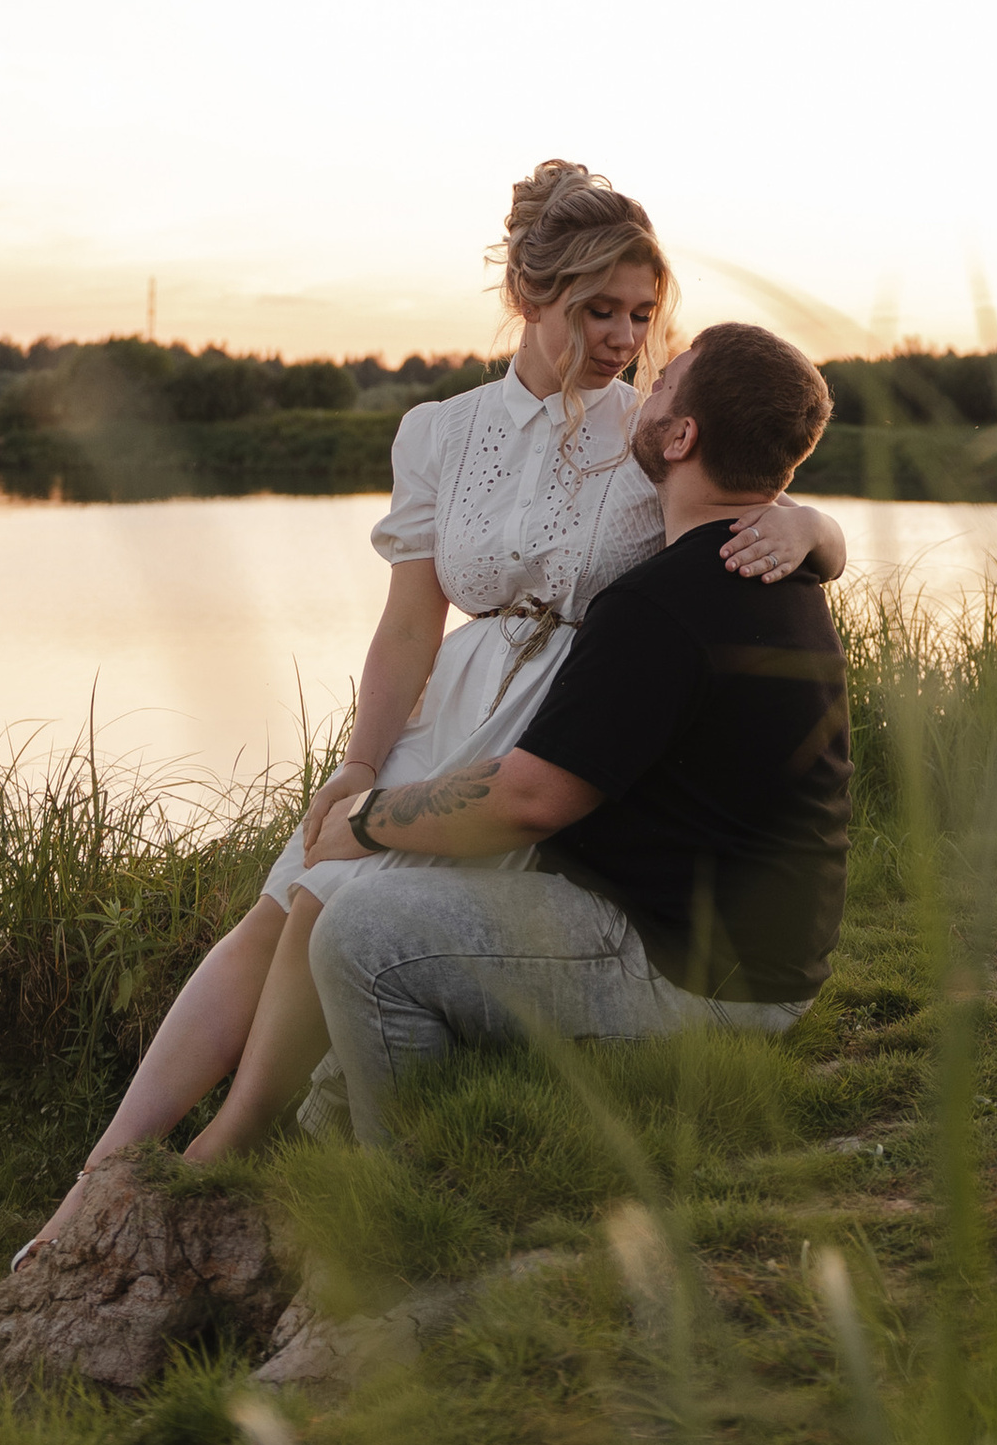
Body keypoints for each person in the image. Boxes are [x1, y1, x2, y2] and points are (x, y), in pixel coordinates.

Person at [22, 170, 843, 1249]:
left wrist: (822, 534)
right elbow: (409, 624)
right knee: (285, 902)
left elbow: (759, 495)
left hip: (568, 719)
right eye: (598, 310)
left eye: (643, 315)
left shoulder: (656, 430)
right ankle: (104, 1175)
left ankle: (241, 1148)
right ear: (529, 295)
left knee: (354, 917)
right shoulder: (441, 434)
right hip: (454, 700)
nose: (623, 337)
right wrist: (362, 766)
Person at [298, 317, 850, 1127]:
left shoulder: (660, 604)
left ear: (683, 435)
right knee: (428, 914)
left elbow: (527, 801)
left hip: (695, 980)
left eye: (663, 387)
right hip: (754, 964)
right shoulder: (779, 572)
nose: (643, 393)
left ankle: (411, 1184)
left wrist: (368, 820)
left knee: (362, 932)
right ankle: (322, 1137)